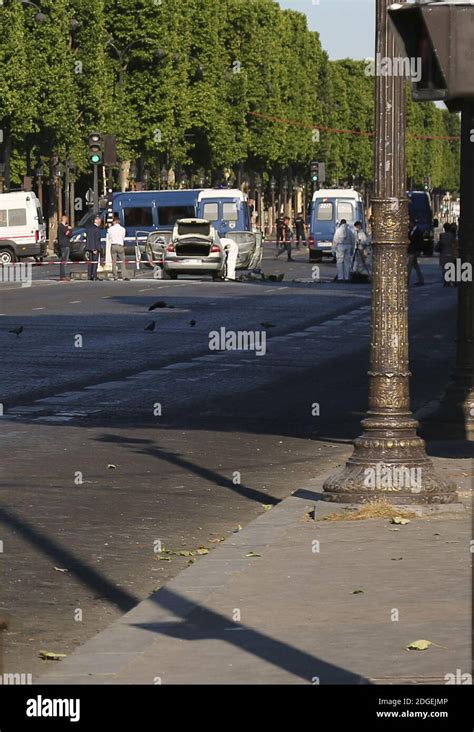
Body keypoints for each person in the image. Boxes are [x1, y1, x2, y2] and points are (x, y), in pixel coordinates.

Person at [107, 214, 128, 281]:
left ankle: (115, 276)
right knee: (122, 261)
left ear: (114, 222)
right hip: (120, 245)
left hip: (113, 245)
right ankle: (124, 276)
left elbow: (109, 237)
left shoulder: (110, 229)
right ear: (118, 221)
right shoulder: (123, 229)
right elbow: (123, 237)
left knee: (114, 261)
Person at [85, 215, 104, 281]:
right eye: (99, 220)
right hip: (94, 247)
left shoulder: (89, 228)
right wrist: (94, 249)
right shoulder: (96, 229)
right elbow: (94, 239)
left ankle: (89, 275)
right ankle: (94, 276)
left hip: (89, 247)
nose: (100, 221)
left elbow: (88, 238)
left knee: (90, 262)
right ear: (96, 220)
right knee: (95, 262)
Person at [407, 218, 424, 286]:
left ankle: (407, 280)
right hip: (411, 250)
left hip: (413, 251)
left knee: (409, 266)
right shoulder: (411, 230)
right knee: (415, 266)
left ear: (413, 223)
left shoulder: (418, 231)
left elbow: (419, 242)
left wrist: (418, 251)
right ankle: (421, 280)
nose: (409, 224)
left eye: (410, 223)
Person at [57, 214, 72, 281]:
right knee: (64, 261)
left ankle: (63, 275)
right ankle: (63, 276)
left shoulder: (62, 227)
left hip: (64, 245)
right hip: (64, 245)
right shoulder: (61, 227)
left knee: (64, 261)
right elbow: (68, 234)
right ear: (65, 219)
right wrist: (69, 229)